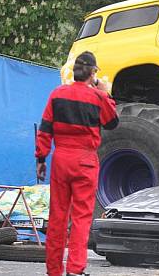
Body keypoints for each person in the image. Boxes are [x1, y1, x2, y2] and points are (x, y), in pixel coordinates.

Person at [35, 51, 118, 276]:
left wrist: (41, 159)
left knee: (57, 216)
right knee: (81, 218)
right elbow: (112, 122)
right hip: (85, 161)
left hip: (61, 159)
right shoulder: (98, 98)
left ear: (74, 72)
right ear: (92, 73)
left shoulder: (57, 94)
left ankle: (53, 270)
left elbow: (45, 129)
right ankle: (75, 269)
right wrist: (104, 91)